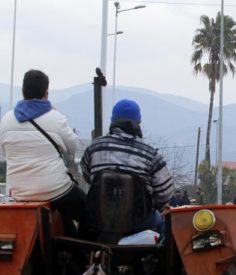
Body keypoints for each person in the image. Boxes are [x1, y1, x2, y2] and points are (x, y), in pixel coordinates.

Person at [0, 69, 87, 234]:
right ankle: (84, 254)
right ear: (46, 93)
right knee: (88, 212)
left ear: (23, 91)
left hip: (19, 191)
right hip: (54, 189)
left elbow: (3, 150)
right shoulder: (55, 117)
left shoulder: (6, 119)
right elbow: (72, 147)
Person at [81, 99, 173, 233]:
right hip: (139, 224)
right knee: (164, 224)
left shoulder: (94, 147)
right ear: (139, 122)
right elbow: (165, 193)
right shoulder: (150, 154)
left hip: (98, 221)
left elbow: (87, 176)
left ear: (112, 121)